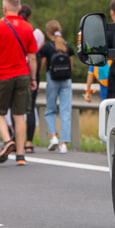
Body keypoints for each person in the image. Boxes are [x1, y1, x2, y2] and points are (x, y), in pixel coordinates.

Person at [0, 0, 38, 166]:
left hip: (3, 75)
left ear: (4, 8)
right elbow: (32, 56)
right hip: (23, 74)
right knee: (20, 115)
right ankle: (20, 155)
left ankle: (7, 140)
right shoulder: (27, 28)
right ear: (19, 8)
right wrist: (33, 77)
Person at [39, 19, 75, 153]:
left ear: (48, 33)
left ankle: (53, 136)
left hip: (52, 79)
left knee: (50, 109)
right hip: (66, 80)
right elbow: (71, 66)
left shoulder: (47, 47)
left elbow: (42, 65)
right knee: (65, 111)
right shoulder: (67, 46)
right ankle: (63, 144)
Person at [19, 3, 44, 154]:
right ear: (30, 16)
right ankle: (28, 142)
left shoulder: (13, 29)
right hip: (32, 71)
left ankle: (15, 139)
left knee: (16, 107)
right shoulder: (37, 33)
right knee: (30, 107)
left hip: (17, 69)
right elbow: (35, 52)